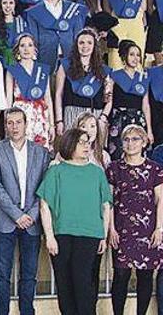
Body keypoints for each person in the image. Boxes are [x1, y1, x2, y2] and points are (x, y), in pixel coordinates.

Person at [38, 128, 112, 315]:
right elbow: (44, 205)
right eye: (82, 142)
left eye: (88, 142)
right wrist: (49, 237)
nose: (87, 145)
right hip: (62, 235)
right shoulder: (56, 171)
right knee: (64, 286)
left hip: (90, 235)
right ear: (70, 144)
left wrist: (103, 235)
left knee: (83, 284)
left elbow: (105, 206)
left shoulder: (97, 173)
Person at [0, 107, 50, 315]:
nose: (14, 127)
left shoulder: (41, 152)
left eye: (18, 122)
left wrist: (30, 215)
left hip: (31, 222)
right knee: (2, 275)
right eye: (10, 123)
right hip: (5, 220)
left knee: (29, 274)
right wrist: (17, 215)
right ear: (5, 126)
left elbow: (44, 187)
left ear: (26, 124)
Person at [106, 125, 163, 315]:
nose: (131, 143)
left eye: (135, 139)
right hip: (122, 230)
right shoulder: (114, 168)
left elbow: (160, 200)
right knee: (120, 276)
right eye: (127, 139)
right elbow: (109, 201)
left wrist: (159, 229)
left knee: (145, 276)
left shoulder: (155, 169)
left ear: (144, 142)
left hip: (148, 231)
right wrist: (111, 228)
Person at [25, 0, 87, 70]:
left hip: (70, 60)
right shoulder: (33, 12)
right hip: (45, 61)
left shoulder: (73, 9)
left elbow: (78, 37)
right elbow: (33, 41)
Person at [103, 40, 153, 161]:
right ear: (125, 56)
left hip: (137, 119)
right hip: (118, 120)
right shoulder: (115, 75)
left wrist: (149, 130)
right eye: (132, 54)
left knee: (137, 155)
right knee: (117, 152)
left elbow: (145, 105)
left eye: (138, 55)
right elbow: (108, 99)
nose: (135, 58)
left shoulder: (143, 78)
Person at [5, 34, 55, 150]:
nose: (26, 49)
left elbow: (48, 98)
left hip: (39, 114)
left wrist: (52, 124)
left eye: (30, 45)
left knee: (40, 152)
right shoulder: (12, 70)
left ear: (35, 49)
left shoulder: (42, 70)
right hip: (19, 113)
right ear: (18, 50)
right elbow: (8, 99)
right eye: (22, 45)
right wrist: (7, 124)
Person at [54, 28, 110, 131]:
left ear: (94, 46)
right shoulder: (65, 65)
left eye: (89, 43)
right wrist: (59, 120)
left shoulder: (103, 70)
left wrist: (103, 117)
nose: (85, 46)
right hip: (71, 114)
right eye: (81, 43)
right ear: (76, 45)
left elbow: (109, 98)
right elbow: (58, 94)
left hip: (95, 115)